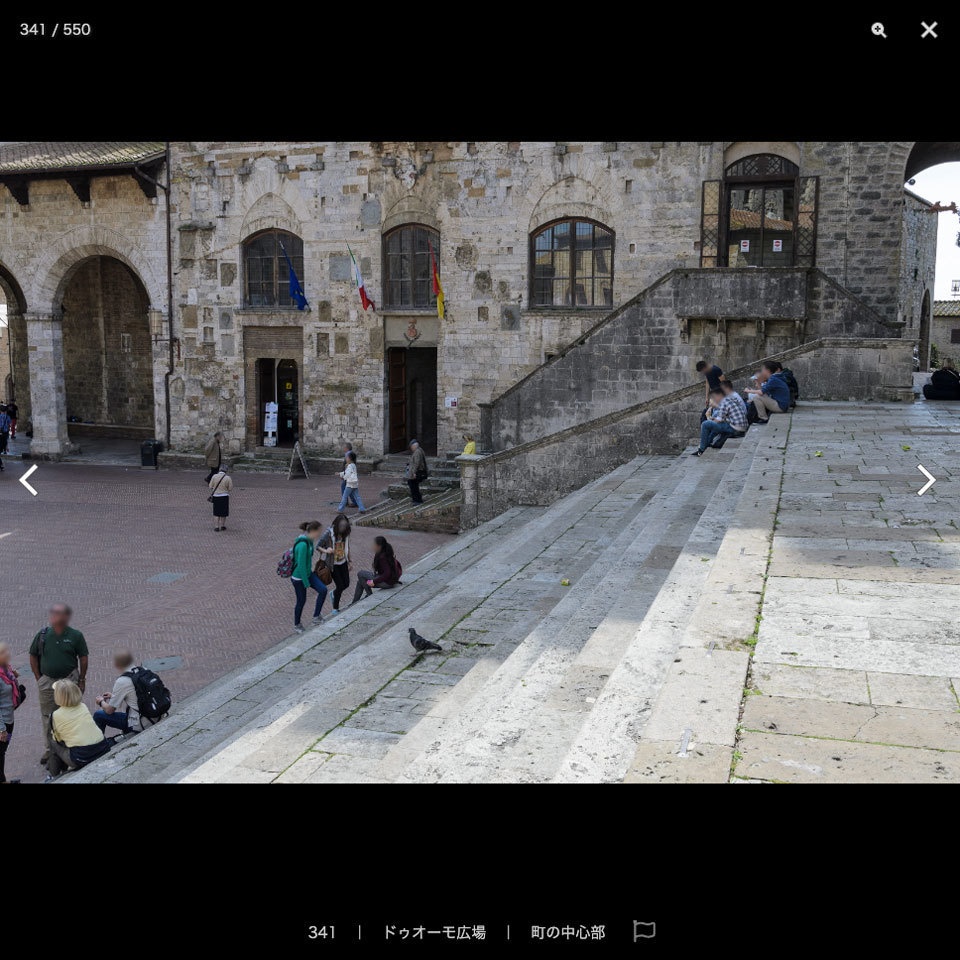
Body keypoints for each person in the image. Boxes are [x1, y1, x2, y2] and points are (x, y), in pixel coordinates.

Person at [29, 603, 88, 766]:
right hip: (47, 681)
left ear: (66, 617)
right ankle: (50, 751)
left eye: (59, 614)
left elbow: (83, 657)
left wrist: (82, 679)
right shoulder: (43, 635)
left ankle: (74, 745)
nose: (55, 617)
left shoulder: (76, 635)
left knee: (72, 712)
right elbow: (32, 655)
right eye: (53, 614)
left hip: (69, 679)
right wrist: (38, 678)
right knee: (48, 716)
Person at [46, 679, 109, 778]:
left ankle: (53, 776)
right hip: (103, 747)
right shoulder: (82, 706)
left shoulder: (55, 715)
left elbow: (58, 740)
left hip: (82, 757)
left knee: (52, 741)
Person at [93, 650, 153, 737]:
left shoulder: (122, 681)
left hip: (141, 722)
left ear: (116, 665)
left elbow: (109, 710)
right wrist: (114, 696)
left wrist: (101, 702)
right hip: (156, 714)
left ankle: (98, 745)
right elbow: (136, 694)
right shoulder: (144, 670)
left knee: (99, 715)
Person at [290, 521, 328, 634]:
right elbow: (301, 565)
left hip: (307, 573)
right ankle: (297, 624)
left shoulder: (310, 542)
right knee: (301, 601)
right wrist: (306, 583)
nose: (320, 534)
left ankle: (316, 616)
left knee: (323, 589)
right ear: (313, 531)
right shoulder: (302, 545)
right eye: (319, 532)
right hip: (299, 577)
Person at [692, 382, 749, 456]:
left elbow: (719, 419)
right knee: (714, 426)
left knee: (705, 424)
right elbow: (723, 417)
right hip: (741, 426)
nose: (714, 399)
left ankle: (702, 449)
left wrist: (711, 419)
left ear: (719, 395)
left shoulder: (724, 402)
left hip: (736, 428)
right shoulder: (729, 398)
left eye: (714, 397)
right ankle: (705, 446)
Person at [317, 514, 351, 616]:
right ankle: (335, 608)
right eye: (341, 526)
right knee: (340, 585)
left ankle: (334, 593)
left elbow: (347, 547)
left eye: (345, 526)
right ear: (336, 524)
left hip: (343, 562)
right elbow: (318, 546)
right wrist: (327, 550)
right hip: (333, 564)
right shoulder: (328, 533)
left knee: (346, 584)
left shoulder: (346, 533)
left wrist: (350, 561)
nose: (343, 528)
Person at [352, 535, 401, 603]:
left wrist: (374, 581)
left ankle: (369, 595)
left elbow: (387, 573)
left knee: (360, 573)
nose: (372, 546)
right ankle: (354, 602)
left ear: (379, 546)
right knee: (360, 581)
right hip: (389, 580)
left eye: (374, 545)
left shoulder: (382, 557)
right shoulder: (384, 552)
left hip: (387, 583)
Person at [0, 642, 23, 783]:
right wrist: (1, 729)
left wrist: (14, 675)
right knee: (0, 752)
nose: (7, 654)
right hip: (3, 723)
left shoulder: (5, 670)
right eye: (3, 653)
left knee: (2, 750)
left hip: (9, 719)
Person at [208, 463, 233, 532]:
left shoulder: (214, 476)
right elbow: (230, 488)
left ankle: (216, 526)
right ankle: (222, 525)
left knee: (216, 512)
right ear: (226, 470)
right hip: (224, 496)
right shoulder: (228, 478)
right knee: (223, 512)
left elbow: (210, 486)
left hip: (216, 496)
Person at [406, 439, 428, 505]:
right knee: (413, 484)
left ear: (414, 446)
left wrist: (413, 473)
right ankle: (416, 499)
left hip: (419, 472)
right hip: (420, 471)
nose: (411, 448)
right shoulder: (419, 450)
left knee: (413, 484)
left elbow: (416, 463)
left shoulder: (417, 452)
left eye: (411, 447)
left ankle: (417, 500)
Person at [339, 442, 359, 508]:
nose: (343, 448)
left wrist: (343, 474)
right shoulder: (350, 454)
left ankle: (346, 502)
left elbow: (346, 465)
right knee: (349, 488)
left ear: (346, 448)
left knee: (345, 488)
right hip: (350, 474)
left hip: (348, 475)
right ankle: (353, 502)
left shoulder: (348, 454)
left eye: (344, 447)